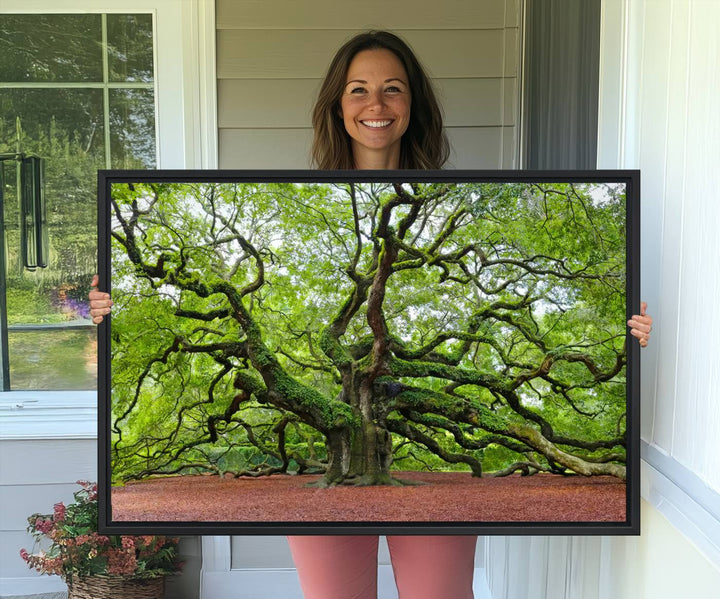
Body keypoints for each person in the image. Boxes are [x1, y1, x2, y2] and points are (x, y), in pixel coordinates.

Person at [89, 30, 653, 599]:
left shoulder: (458, 197)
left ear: (413, 105)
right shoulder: (294, 197)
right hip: (331, 491)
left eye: (393, 89)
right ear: (338, 105)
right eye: (358, 90)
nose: (376, 105)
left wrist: (623, 336)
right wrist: (111, 309)